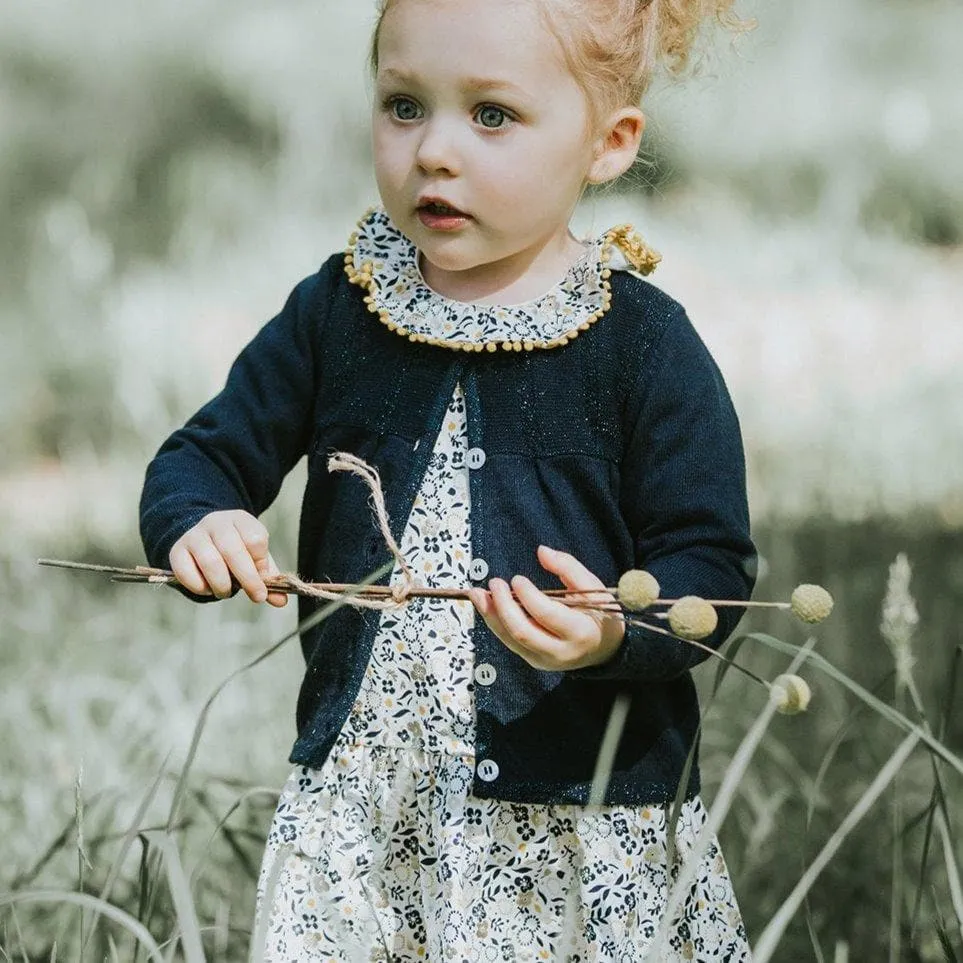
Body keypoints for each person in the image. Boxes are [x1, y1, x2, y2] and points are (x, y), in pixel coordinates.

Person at [139, 0, 757, 958]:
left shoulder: (641, 346)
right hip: (371, 803)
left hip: (574, 814)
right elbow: (204, 455)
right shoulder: (341, 310)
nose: (434, 151)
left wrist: (607, 633)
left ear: (607, 143)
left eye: (492, 116)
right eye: (403, 105)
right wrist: (199, 516)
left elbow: (709, 563)